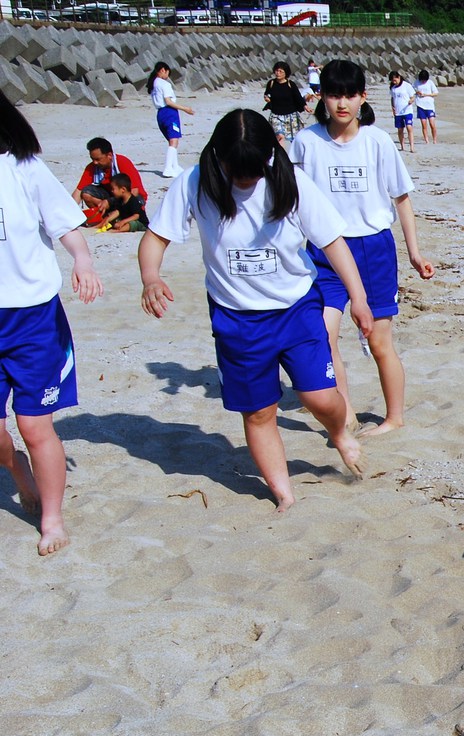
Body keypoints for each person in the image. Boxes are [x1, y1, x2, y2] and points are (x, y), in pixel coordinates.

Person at [138, 108, 373, 512]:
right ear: (218, 157)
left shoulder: (291, 182)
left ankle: (339, 431)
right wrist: (151, 277)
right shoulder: (195, 183)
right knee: (260, 411)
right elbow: (155, 237)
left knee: (319, 398)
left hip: (296, 309)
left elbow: (333, 242)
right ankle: (284, 492)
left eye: (253, 171)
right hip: (236, 318)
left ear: (270, 155)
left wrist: (360, 299)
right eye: (236, 172)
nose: (245, 181)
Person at [291, 59, 435, 437]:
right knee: (324, 336)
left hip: (374, 250)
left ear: (362, 97)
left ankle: (394, 417)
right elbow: (292, 202)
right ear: (321, 97)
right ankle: (347, 416)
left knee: (379, 341)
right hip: (323, 252)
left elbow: (401, 199)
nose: (342, 104)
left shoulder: (377, 141)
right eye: (334, 95)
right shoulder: (306, 143)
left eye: (350, 95)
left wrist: (415, 253)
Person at [0, 89, 103, 555]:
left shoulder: (22, 167)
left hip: (32, 318)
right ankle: (18, 471)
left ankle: (52, 519)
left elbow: (64, 224)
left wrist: (82, 260)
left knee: (34, 424)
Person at [71, 137, 146, 226]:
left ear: (109, 155)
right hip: (112, 198)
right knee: (86, 193)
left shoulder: (123, 162)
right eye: (92, 159)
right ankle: (106, 217)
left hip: (132, 199)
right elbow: (78, 191)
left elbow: (134, 192)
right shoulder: (92, 167)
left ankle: (118, 217)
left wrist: (109, 201)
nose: (95, 162)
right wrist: (69, 213)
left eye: (98, 159)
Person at [148, 62, 194, 178]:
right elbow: (168, 101)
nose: (167, 76)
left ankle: (175, 166)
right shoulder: (164, 84)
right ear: (163, 70)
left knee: (172, 140)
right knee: (174, 141)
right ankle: (168, 168)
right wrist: (185, 109)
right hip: (169, 113)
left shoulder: (153, 84)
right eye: (167, 73)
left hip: (160, 114)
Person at [263, 61, 309, 147]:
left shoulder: (291, 84)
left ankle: (296, 158)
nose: (278, 73)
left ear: (286, 72)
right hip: (276, 115)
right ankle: (282, 159)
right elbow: (267, 93)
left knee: (295, 139)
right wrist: (266, 98)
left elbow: (298, 97)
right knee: (280, 137)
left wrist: (305, 106)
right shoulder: (271, 83)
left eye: (280, 71)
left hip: (291, 116)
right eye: (276, 71)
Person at [389, 72, 415, 154]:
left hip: (407, 111)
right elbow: (392, 98)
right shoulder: (393, 88)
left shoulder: (407, 85)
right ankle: (402, 146)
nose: (394, 82)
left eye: (395, 80)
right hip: (398, 112)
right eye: (392, 81)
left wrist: (411, 101)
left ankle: (412, 147)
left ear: (399, 77)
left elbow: (413, 96)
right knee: (400, 129)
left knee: (409, 127)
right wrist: (393, 108)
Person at [414, 69, 438, 145]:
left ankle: (434, 139)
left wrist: (426, 95)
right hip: (420, 105)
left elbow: (436, 93)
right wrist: (417, 92)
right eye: (422, 80)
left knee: (432, 124)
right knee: (424, 125)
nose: (423, 81)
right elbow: (412, 90)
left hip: (429, 106)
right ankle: (426, 140)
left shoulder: (430, 83)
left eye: (425, 80)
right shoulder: (416, 82)